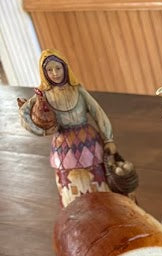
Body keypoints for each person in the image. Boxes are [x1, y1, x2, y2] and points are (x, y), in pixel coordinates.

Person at [19, 50, 117, 207]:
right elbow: (24, 112)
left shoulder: (78, 90)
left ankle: (105, 207)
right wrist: (41, 131)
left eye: (58, 68)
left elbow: (97, 112)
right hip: (62, 146)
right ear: (44, 73)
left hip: (89, 142)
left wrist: (108, 138)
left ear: (65, 68)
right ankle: (74, 211)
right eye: (49, 70)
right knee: (69, 186)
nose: (55, 73)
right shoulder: (43, 95)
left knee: (99, 178)